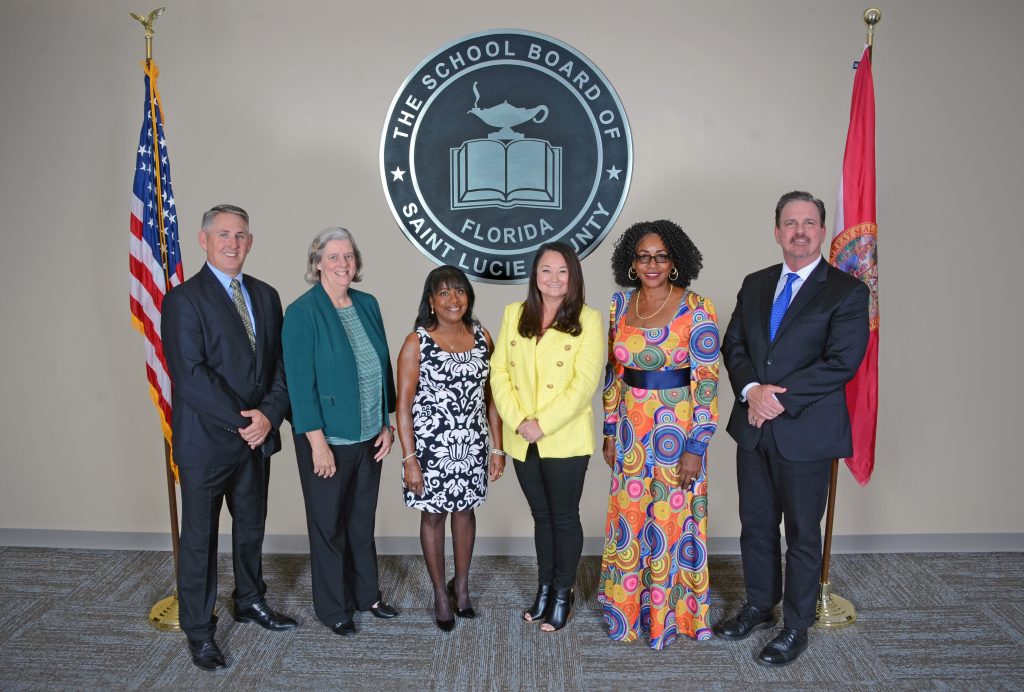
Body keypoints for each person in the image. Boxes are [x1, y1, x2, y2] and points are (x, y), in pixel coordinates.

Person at [715, 191, 869, 666]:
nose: (799, 230)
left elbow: (841, 362)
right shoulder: (756, 283)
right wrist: (751, 391)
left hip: (806, 432)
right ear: (777, 230)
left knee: (802, 534)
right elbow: (733, 343)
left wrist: (773, 399)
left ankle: (795, 625)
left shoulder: (846, 290)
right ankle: (761, 606)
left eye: (808, 222)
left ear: (822, 231)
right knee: (756, 526)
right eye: (789, 222)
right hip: (754, 429)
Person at [162, 204, 296, 672]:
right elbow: (190, 376)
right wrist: (246, 421)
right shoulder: (183, 299)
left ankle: (250, 600)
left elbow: (282, 366)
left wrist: (269, 417)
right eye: (223, 234)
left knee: (250, 528)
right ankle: (199, 630)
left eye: (240, 235)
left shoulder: (266, 295)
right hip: (207, 443)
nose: (233, 243)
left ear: (250, 241)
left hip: (257, 441)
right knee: (200, 540)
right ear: (204, 240)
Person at [597, 220, 720, 649]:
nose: (652, 264)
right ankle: (628, 614)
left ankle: (671, 619)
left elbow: (706, 381)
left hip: (676, 434)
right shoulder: (619, 305)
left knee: (669, 522)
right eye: (643, 256)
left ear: (676, 261)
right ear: (631, 262)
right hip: (632, 433)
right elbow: (614, 375)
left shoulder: (697, 308)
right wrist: (610, 430)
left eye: (661, 256)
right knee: (631, 522)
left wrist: (695, 447)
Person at [282, 227, 399, 638]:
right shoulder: (302, 312)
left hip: (370, 437)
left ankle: (368, 595)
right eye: (333, 257)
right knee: (328, 526)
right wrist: (317, 443)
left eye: (348, 256)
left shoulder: (368, 304)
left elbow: (380, 369)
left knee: (360, 521)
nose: (342, 264)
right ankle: (333, 607)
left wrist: (387, 423)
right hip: (327, 440)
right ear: (316, 263)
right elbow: (299, 385)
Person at [490, 242, 604, 632]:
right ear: (535, 275)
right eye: (546, 270)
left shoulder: (588, 319)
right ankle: (544, 587)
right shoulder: (514, 314)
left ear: (573, 277)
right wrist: (521, 420)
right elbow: (499, 373)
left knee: (564, 516)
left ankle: (562, 592)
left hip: (564, 437)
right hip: (522, 436)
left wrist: (543, 423)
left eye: (562, 271)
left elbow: (584, 383)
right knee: (541, 518)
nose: (554, 279)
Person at [395, 265, 506, 631]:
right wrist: (410, 460)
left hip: (471, 444)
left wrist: (497, 448)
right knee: (433, 516)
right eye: (443, 292)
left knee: (465, 513)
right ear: (431, 300)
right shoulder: (417, 342)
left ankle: (461, 587)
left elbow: (492, 397)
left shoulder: (482, 336)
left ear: (469, 297)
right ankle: (440, 595)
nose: (452, 299)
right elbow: (404, 405)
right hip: (430, 449)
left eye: (459, 291)